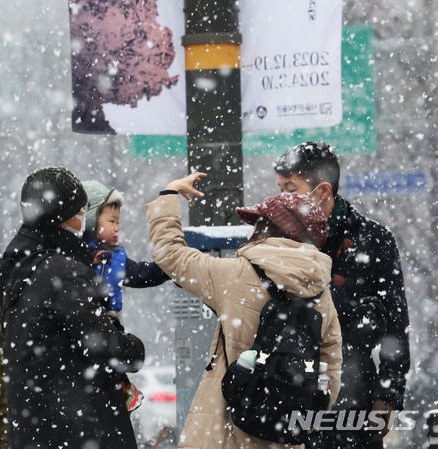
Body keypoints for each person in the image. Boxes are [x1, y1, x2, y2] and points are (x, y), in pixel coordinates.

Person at [146, 172, 343, 449]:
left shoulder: (237, 275)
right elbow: (331, 369)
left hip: (223, 431)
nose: (254, 231)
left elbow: (171, 254)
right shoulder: (321, 295)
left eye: (260, 224)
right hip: (283, 436)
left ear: (274, 230)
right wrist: (298, 412)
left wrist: (168, 196)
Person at [0, 167, 145, 449]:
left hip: (33, 426)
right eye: (80, 210)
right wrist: (133, 348)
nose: (82, 218)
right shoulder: (64, 273)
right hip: (80, 427)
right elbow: (104, 345)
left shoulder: (12, 266)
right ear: (63, 217)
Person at [274, 142, 410, 448]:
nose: (283, 197)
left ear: (323, 191)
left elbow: (396, 326)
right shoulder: (278, 240)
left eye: (290, 187)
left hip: (354, 389)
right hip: (287, 389)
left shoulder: (374, 240)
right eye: (281, 188)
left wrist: (389, 395)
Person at [81, 180, 172, 411]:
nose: (116, 228)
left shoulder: (116, 258)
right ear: (90, 219)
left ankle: (120, 393)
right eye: (111, 221)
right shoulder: (78, 254)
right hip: (90, 330)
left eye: (118, 222)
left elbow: (142, 274)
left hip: (110, 327)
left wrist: (170, 268)